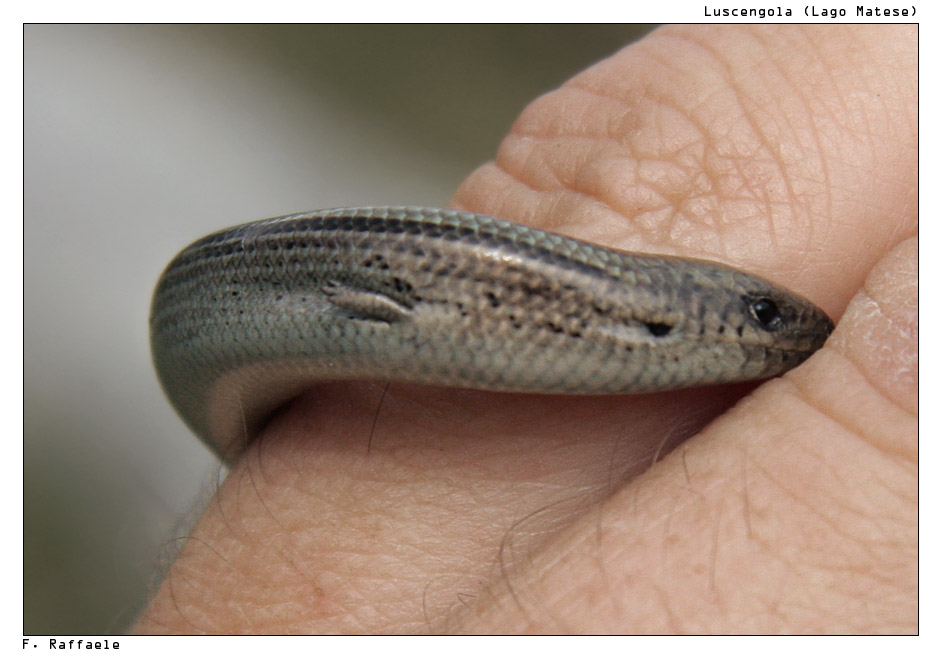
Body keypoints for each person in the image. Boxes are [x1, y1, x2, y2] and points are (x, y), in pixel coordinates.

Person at [135, 24, 916, 634]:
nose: (783, 331)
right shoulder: (593, 305)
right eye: (762, 315)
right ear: (661, 311)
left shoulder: (636, 327)